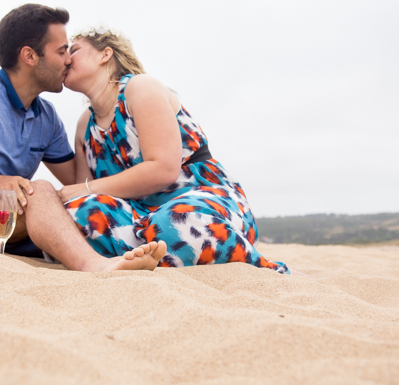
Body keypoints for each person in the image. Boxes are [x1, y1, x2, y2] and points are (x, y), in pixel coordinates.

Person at [0, 5, 166, 272]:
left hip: (5, 217)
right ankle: (96, 267)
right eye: (61, 51)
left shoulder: (47, 117)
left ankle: (135, 255)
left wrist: (104, 131)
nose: (68, 60)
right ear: (30, 56)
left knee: (61, 202)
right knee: (39, 191)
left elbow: (77, 183)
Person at [57, 25, 288, 274]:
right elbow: (82, 196)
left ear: (105, 54)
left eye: (74, 50)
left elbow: (163, 169)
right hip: (138, 215)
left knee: (174, 221)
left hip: (199, 200)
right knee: (73, 215)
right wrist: (81, 195)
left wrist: (85, 189)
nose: (66, 59)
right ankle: (142, 257)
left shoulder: (140, 88)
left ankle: (267, 270)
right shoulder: (84, 125)